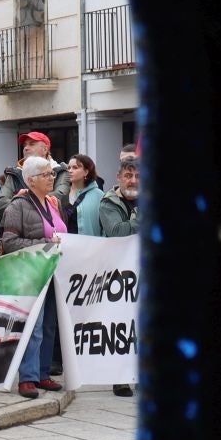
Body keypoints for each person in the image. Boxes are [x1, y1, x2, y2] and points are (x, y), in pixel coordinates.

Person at [0, 154, 68, 400]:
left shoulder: (53, 203)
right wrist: (45, 242)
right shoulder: (17, 205)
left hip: (54, 272)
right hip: (31, 273)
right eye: (46, 174)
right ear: (30, 180)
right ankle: (27, 377)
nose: (52, 178)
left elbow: (64, 235)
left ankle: (42, 372)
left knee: (50, 325)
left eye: (51, 173)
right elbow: (9, 242)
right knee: (34, 326)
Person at [97, 150, 141, 397]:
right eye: (128, 175)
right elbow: (117, 232)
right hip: (119, 276)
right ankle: (120, 379)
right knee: (120, 327)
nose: (133, 180)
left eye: (137, 176)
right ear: (119, 177)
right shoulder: (109, 202)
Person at [59, 153, 104, 236]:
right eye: (69, 168)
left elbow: (105, 227)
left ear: (86, 172)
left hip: (90, 246)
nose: (70, 171)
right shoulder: (62, 195)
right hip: (65, 245)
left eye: (75, 167)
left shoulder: (99, 195)